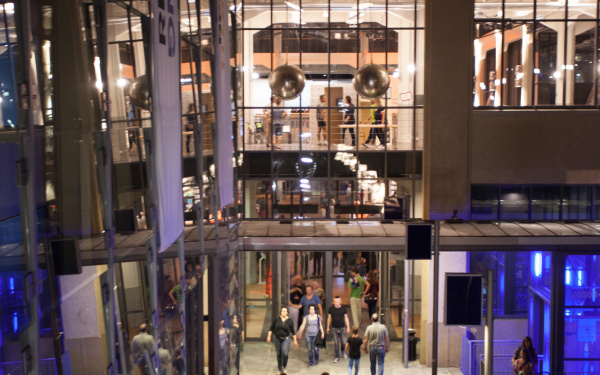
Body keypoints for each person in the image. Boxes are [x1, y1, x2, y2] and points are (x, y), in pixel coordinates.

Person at [267, 307, 298, 375]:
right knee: (279, 353)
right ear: (280, 312)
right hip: (277, 338)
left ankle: (285, 366)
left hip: (286, 339)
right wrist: (269, 336)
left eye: (285, 311)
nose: (284, 312)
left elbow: (293, 331)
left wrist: (295, 340)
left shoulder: (290, 320)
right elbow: (271, 328)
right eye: (282, 311)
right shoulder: (276, 319)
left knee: (285, 353)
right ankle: (280, 368)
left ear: (287, 312)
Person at [327, 296, 351, 362]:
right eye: (335, 302)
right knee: (336, 343)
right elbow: (329, 318)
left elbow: (346, 318)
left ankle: (343, 350)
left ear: (340, 302)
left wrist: (348, 327)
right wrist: (327, 327)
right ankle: (337, 356)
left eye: (337, 301)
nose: (336, 303)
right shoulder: (331, 309)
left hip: (342, 328)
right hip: (334, 328)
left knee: (343, 342)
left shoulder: (343, 308)